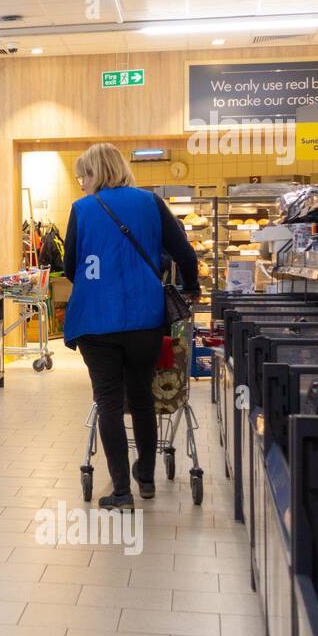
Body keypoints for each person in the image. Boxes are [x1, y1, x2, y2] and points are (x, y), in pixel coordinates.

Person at [62, 143, 199, 509]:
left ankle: (121, 491)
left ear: (96, 173)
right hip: (144, 319)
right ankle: (148, 480)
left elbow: (69, 265)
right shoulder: (150, 203)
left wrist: (97, 284)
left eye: (83, 175)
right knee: (141, 397)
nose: (82, 183)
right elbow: (184, 252)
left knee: (108, 401)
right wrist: (194, 288)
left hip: (94, 320)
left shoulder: (81, 209)